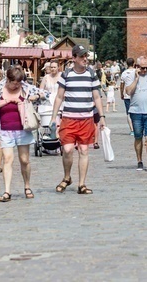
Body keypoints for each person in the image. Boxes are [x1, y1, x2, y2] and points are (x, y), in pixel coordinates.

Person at [50, 44, 105, 194]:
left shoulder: (91, 74)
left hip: (86, 118)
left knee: (84, 150)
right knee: (67, 150)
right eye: (81, 56)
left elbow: (97, 97)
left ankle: (82, 184)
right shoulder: (66, 74)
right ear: (74, 58)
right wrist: (54, 117)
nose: (85, 59)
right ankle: (67, 177)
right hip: (69, 118)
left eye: (86, 56)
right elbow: (59, 96)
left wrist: (101, 117)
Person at [0, 66, 49, 201]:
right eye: (14, 83)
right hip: (5, 129)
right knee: (8, 159)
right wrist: (7, 101)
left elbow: (46, 94)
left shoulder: (25, 87)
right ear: (8, 80)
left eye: (18, 83)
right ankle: (7, 191)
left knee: (24, 160)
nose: (16, 86)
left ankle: (27, 186)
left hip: (23, 129)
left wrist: (36, 96)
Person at [124, 56, 147, 172]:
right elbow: (128, 91)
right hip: (136, 111)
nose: (145, 70)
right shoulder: (130, 75)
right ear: (137, 66)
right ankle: (139, 160)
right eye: (142, 68)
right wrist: (136, 78)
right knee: (138, 137)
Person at [120, 57, 136, 135]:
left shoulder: (124, 73)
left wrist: (121, 94)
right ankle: (137, 127)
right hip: (135, 94)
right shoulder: (136, 72)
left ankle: (132, 129)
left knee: (128, 113)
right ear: (134, 63)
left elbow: (121, 84)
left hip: (126, 95)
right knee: (136, 111)